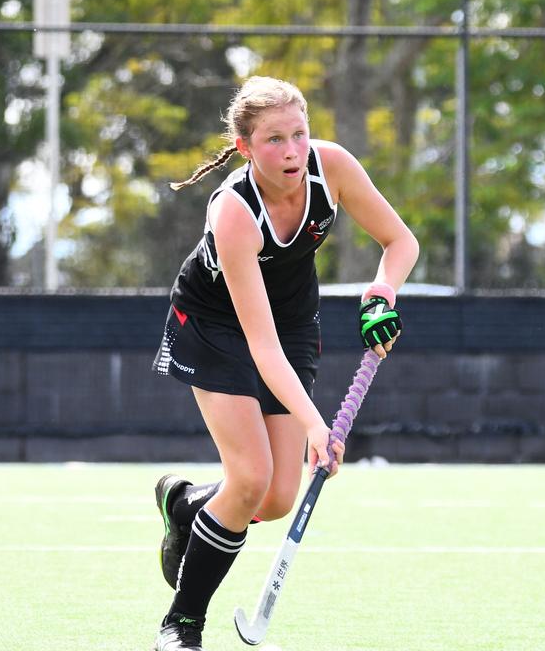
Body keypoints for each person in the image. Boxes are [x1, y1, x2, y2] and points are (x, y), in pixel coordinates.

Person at [147, 76, 418, 651]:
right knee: (249, 479)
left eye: (299, 134)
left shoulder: (332, 168)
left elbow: (400, 242)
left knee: (273, 498)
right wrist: (317, 425)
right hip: (216, 327)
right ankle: (182, 624)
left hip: (292, 324)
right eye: (274, 140)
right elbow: (258, 347)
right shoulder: (234, 213)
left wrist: (381, 292)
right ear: (245, 147)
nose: (292, 151)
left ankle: (188, 503)